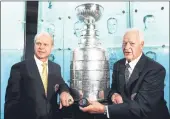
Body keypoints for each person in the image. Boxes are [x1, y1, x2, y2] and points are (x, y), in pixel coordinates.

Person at [80, 28, 170, 119]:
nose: (126, 47)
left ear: (141, 45)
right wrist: (114, 95)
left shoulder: (155, 70)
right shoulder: (118, 65)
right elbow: (113, 89)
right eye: (124, 43)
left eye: (132, 43)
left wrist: (104, 109)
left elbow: (142, 107)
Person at [4, 32, 74, 119]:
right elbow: (11, 102)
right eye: (38, 43)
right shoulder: (19, 68)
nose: (41, 47)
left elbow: (61, 84)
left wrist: (64, 92)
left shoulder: (56, 68)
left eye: (45, 44)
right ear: (34, 45)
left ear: (51, 47)